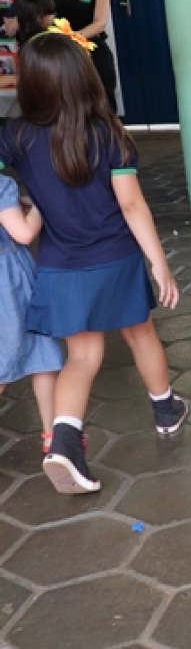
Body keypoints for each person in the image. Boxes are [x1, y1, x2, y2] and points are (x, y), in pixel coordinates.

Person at [1, 32, 187, 494]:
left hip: (60, 265)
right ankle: (165, 410)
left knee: (82, 357)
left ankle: (64, 442)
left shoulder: (17, 135)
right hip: (116, 258)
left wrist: (18, 203)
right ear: (85, 77)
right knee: (140, 333)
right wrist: (159, 262)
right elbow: (131, 205)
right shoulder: (109, 135)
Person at [0, 176, 63, 454]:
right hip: (9, 283)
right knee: (39, 354)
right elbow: (23, 234)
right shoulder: (1, 184)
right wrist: (41, 203)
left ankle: (53, 435)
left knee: (39, 354)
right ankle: (52, 438)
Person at [51, 0, 118, 112]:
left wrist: (72, 39)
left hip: (91, 48)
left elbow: (100, 23)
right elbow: (45, 15)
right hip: (60, 52)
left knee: (103, 103)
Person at [0, 0, 56, 89]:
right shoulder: (28, 44)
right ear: (38, 17)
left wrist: (13, 79)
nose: (52, 17)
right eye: (49, 13)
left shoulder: (46, 44)